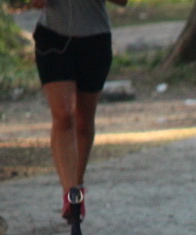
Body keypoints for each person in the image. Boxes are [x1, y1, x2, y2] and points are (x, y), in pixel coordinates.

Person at [30, 0, 128, 222]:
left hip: (95, 39)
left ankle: (77, 186)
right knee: (64, 116)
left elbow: (122, 2)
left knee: (84, 122)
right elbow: (35, 3)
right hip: (53, 38)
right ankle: (70, 194)